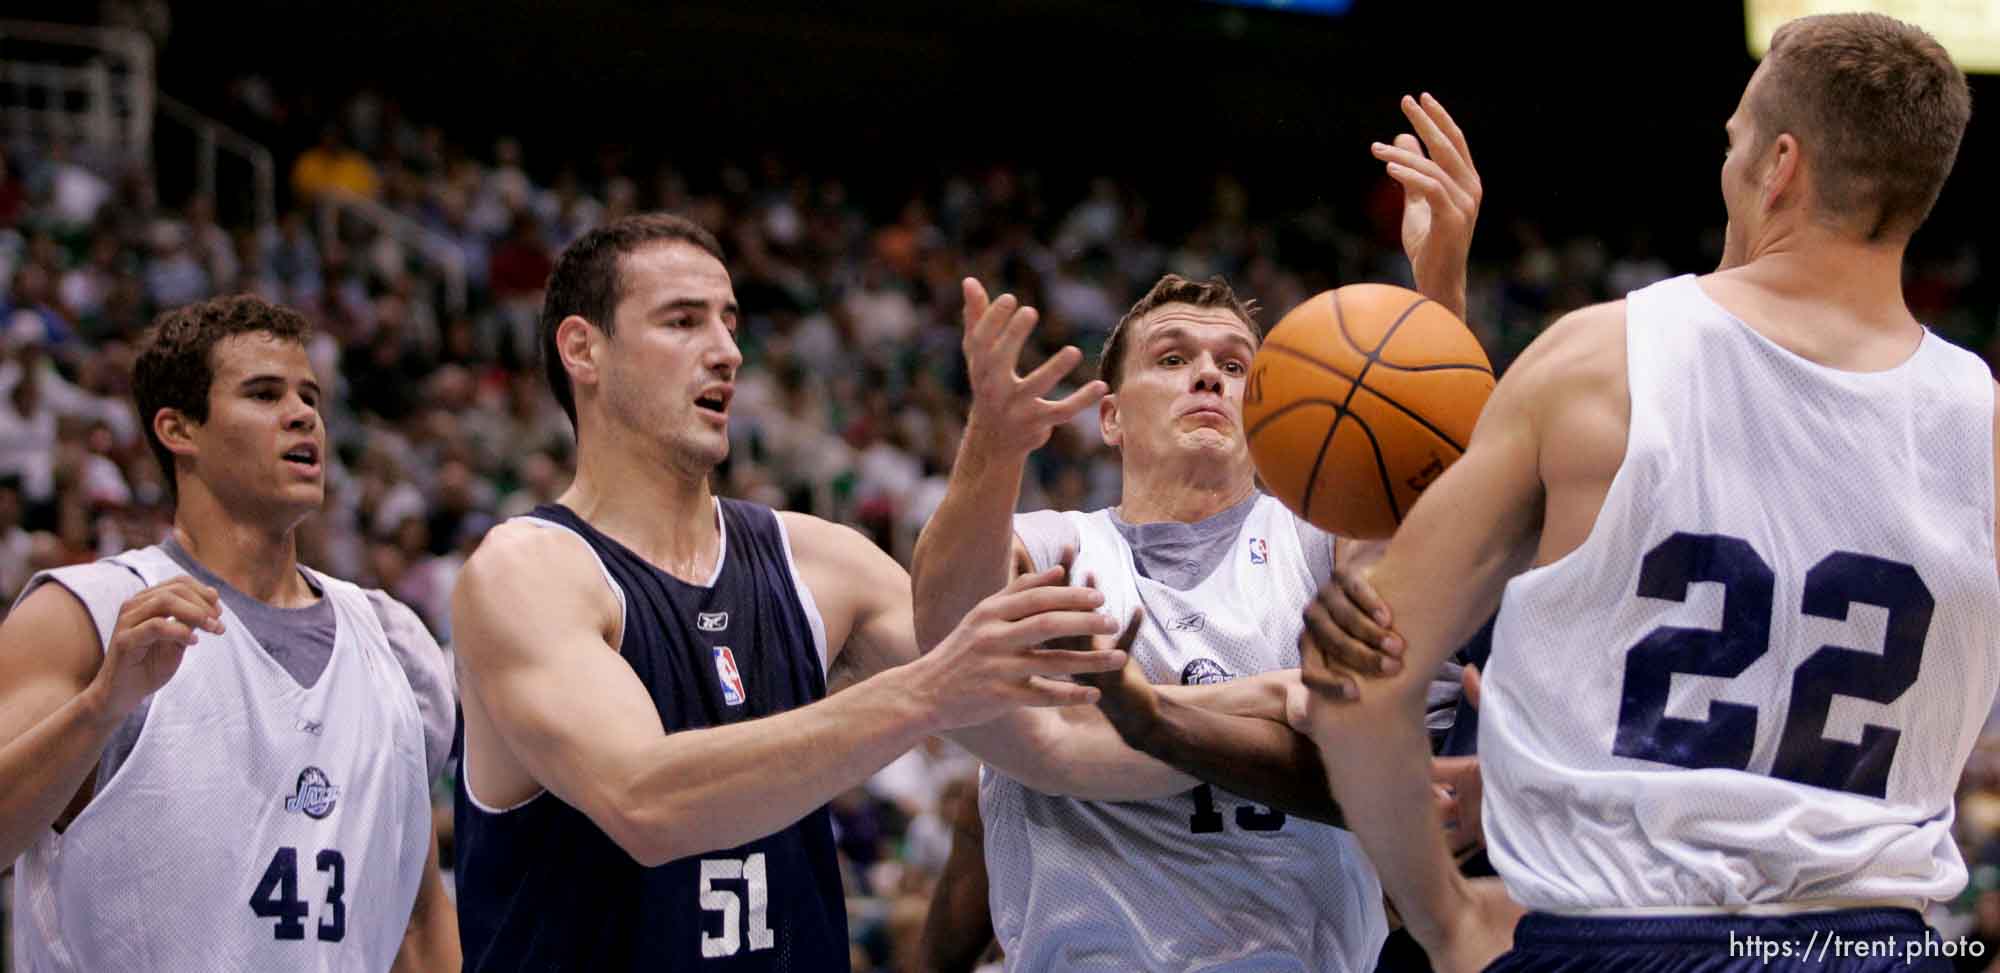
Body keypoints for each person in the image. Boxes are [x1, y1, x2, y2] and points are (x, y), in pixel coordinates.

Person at [1295, 14, 1988, 973]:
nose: (1730, 163)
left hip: (1616, 932)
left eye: (1736, 142)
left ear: (1779, 165)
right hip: (1871, 941)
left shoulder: (1598, 362)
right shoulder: (1984, 429)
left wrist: (1444, 911)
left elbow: (1357, 675)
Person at [449, 213, 1284, 970]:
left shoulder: (819, 561)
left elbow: (1061, 737)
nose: (726, 350)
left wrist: (1278, 698)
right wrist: (925, 692)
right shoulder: (528, 569)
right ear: (581, 349)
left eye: (730, 321)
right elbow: (646, 799)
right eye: (682, 321)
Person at [909, 93, 1486, 970]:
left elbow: (1421, 506)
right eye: (1172, 359)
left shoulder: (1317, 540)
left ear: (1272, 404)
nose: (1208, 377)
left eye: (1234, 364)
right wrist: (991, 445)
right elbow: (948, 625)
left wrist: (1439, 287)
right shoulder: (1059, 542)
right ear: (1109, 416)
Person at [0, 294, 460, 971]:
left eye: (310, 396)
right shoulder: (87, 615)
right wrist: (100, 706)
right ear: (178, 429)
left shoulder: (394, 641)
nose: (304, 414)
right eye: (264, 393)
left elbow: (416, 917)